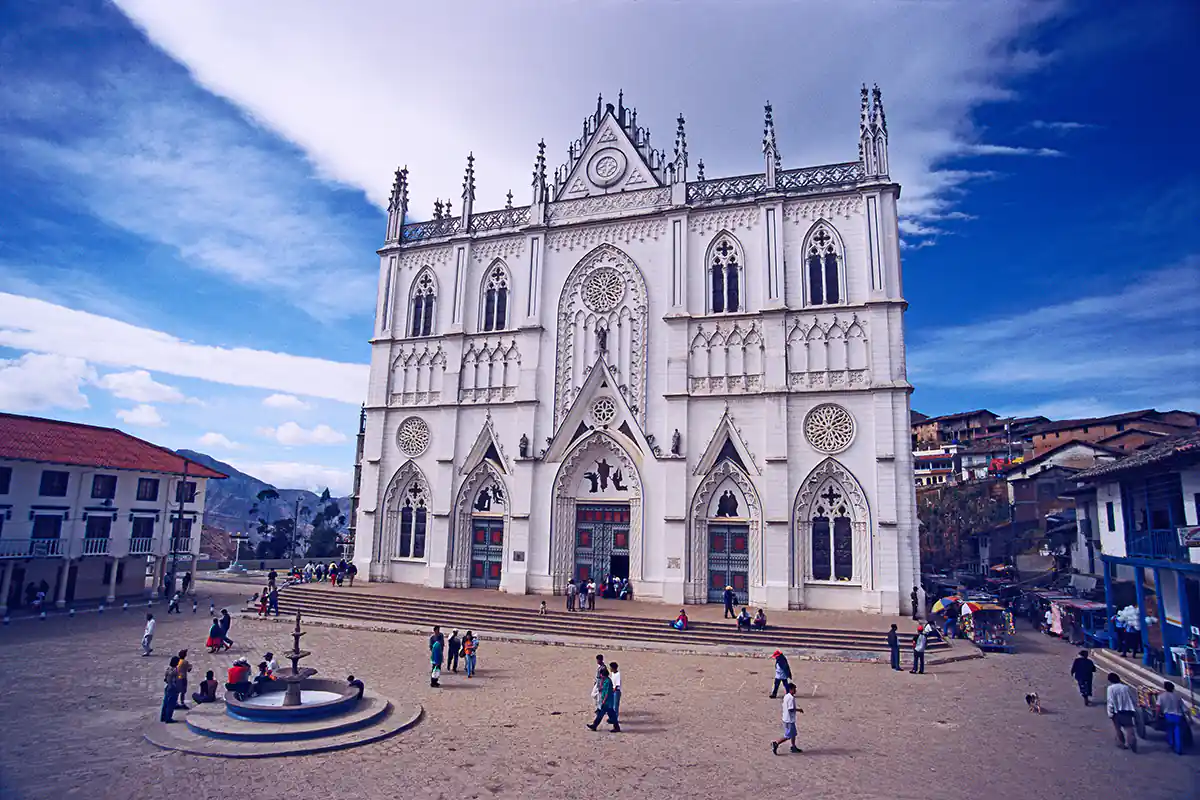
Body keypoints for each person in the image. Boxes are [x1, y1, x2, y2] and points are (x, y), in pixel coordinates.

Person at [1105, 672, 1138, 751]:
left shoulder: (1110, 689)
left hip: (1117, 712)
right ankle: (1132, 742)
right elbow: (1132, 699)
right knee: (1129, 728)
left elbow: (1110, 701)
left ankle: (1121, 743)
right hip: (1128, 711)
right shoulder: (1125, 687)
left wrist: (1110, 712)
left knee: (1118, 729)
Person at [770, 682, 802, 754]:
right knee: (788, 735)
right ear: (791, 689)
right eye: (794, 689)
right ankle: (776, 743)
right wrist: (798, 710)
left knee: (793, 734)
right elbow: (790, 709)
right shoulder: (791, 698)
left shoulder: (786, 696)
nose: (795, 690)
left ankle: (793, 747)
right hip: (789, 720)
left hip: (787, 719)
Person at [1157, 681, 1187, 755]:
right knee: (1178, 733)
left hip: (1168, 716)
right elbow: (1184, 708)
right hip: (1178, 716)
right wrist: (1189, 718)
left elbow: (1158, 707)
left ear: (1165, 688)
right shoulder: (1177, 696)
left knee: (1169, 730)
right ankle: (1178, 749)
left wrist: (1157, 715)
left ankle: (1171, 743)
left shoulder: (1161, 696)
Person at [587, 666, 620, 732]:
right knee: (611, 715)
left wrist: (604, 701)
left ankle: (594, 725)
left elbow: (607, 693)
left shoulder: (608, 682)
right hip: (607, 702)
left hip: (607, 702)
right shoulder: (606, 680)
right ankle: (616, 727)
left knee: (601, 714)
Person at [161, 656, 180, 723]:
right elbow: (176, 680)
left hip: (168, 687)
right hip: (173, 688)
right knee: (171, 704)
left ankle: (163, 716)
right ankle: (168, 718)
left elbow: (165, 679)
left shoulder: (168, 669)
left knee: (165, 703)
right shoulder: (175, 670)